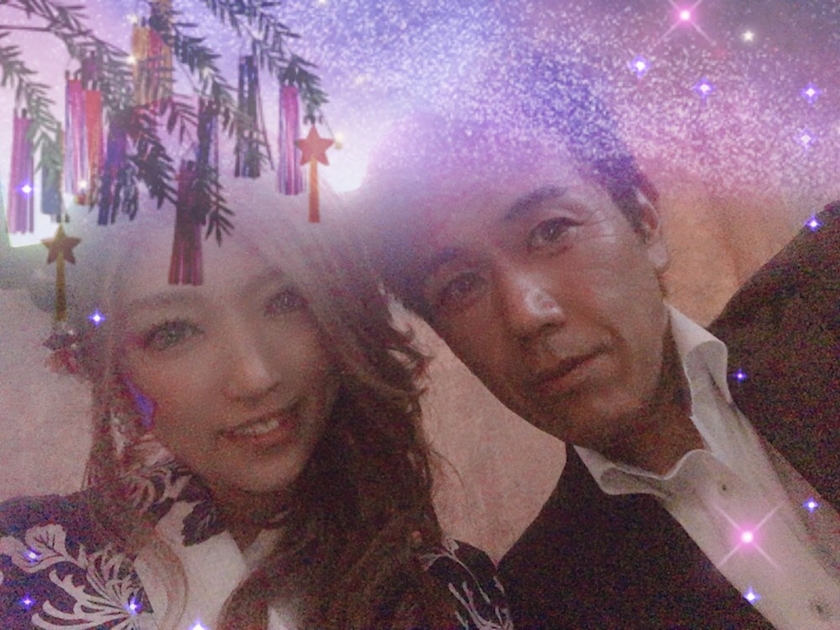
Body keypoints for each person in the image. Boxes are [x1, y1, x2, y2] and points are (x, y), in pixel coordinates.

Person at [359, 51, 840, 629]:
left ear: (645, 222)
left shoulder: (823, 299)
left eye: (551, 230)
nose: (526, 314)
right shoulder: (545, 604)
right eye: (461, 286)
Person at [0, 180, 513, 630]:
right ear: (114, 373)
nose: (255, 377)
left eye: (286, 301)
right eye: (174, 331)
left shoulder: (456, 591)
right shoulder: (26, 561)